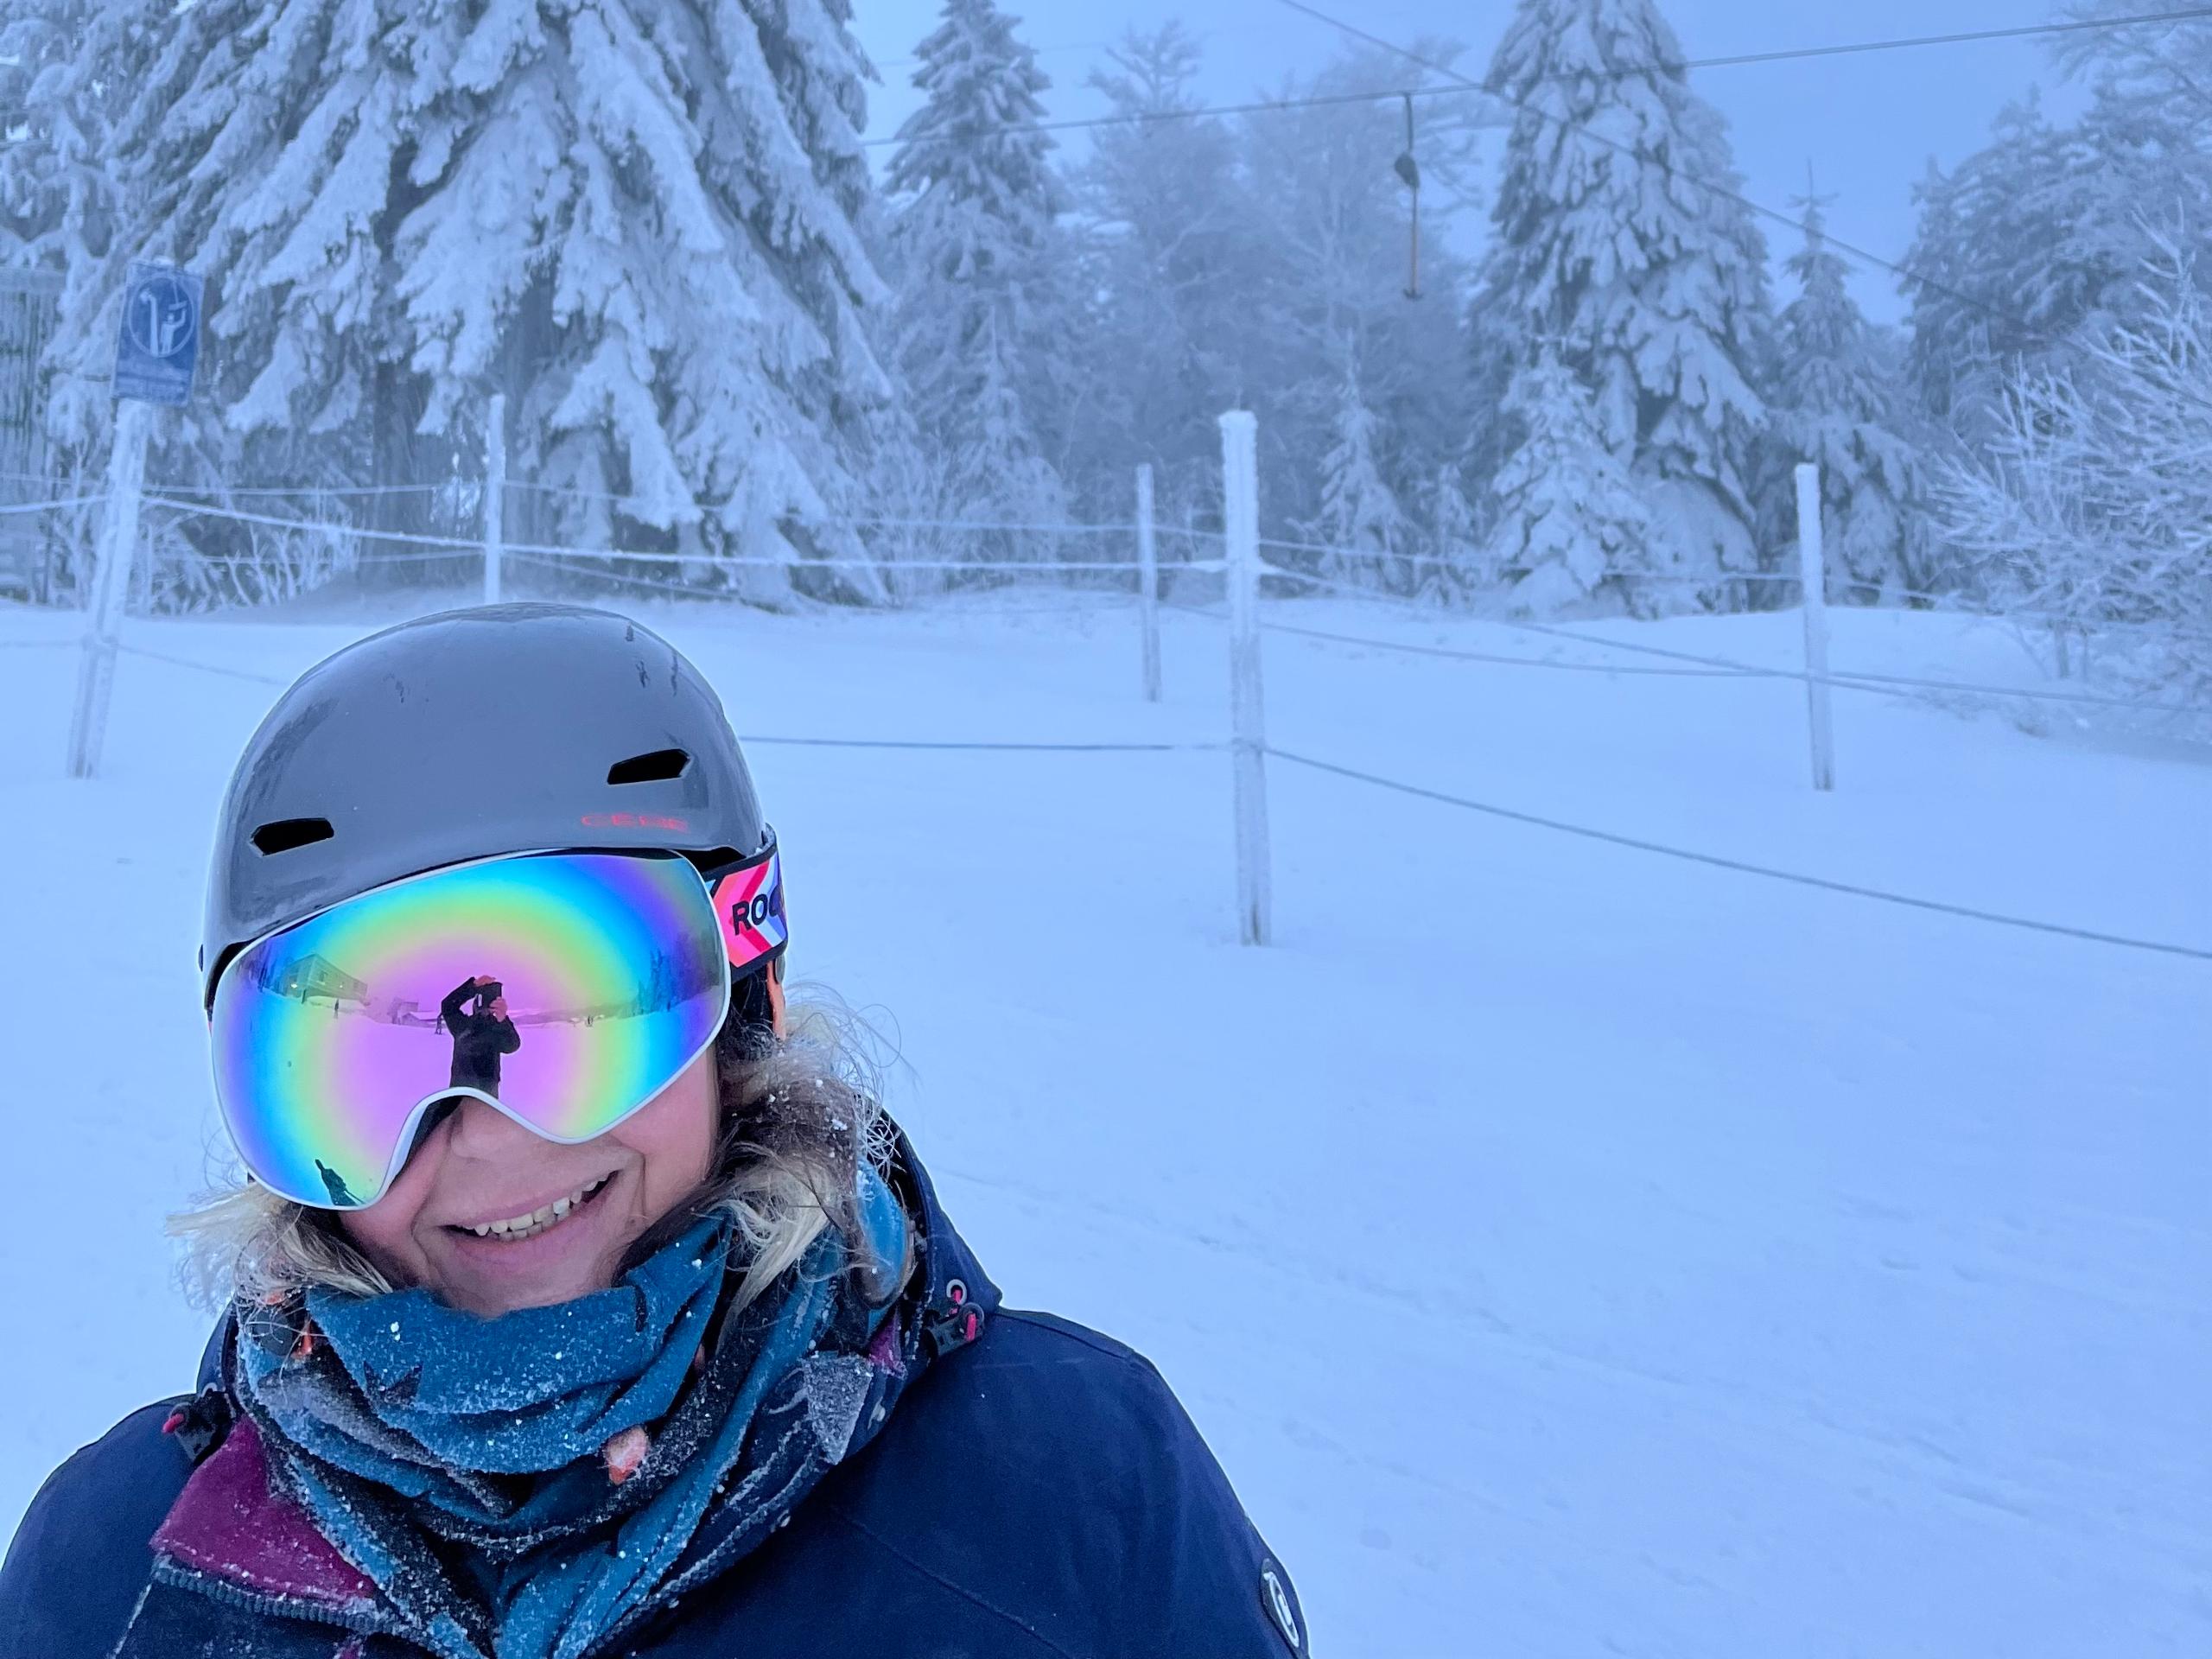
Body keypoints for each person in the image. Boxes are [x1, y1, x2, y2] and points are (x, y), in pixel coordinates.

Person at [0, 604, 1310, 1659]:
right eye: (361, 1063)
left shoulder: (1062, 1498)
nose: (487, 1143)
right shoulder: (118, 1565)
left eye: (576, 1018)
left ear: (745, 1017)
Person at [442, 973, 522, 1096]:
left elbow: (512, 1046)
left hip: (485, 1097)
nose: (488, 1008)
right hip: (461, 1096)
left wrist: (503, 1019)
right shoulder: (463, 1025)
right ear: (476, 1004)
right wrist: (473, 986)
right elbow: (448, 1005)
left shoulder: (496, 1028)